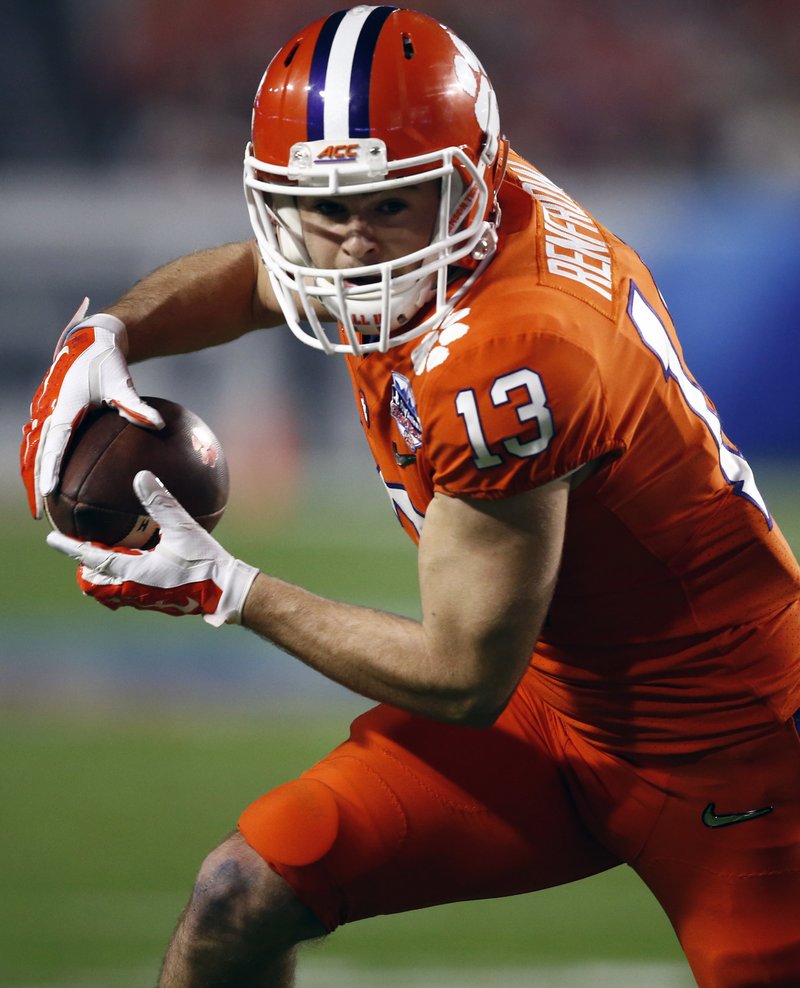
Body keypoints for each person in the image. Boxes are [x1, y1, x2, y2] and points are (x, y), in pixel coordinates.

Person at [20, 6, 800, 987]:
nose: (352, 246)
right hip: (553, 699)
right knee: (238, 893)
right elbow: (270, 275)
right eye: (327, 208)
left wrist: (226, 586)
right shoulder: (443, 200)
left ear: (463, 186)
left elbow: (460, 676)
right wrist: (113, 335)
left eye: (387, 207)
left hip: (723, 744)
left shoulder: (511, 358)